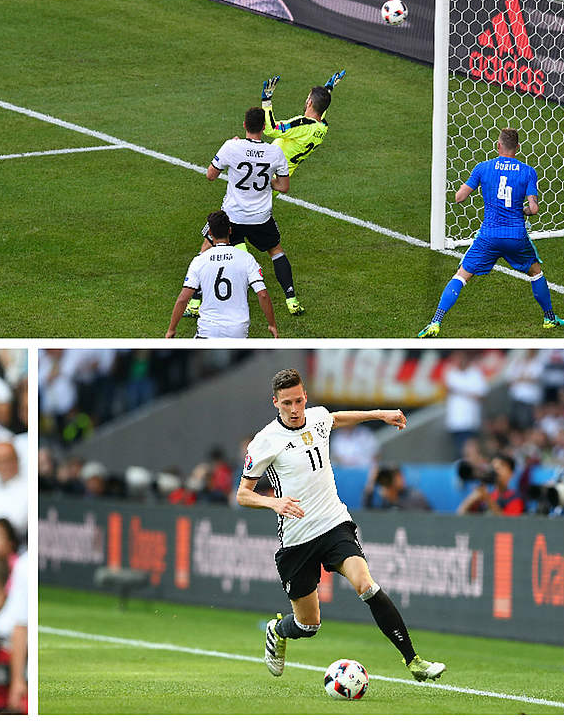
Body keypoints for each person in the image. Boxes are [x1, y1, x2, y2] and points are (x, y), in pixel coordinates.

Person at [237, 368, 446, 683]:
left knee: (366, 584)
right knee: (308, 625)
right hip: (297, 538)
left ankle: (413, 661)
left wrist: (380, 414)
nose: (294, 410)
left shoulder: (318, 417)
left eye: (298, 401)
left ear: (305, 396)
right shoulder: (265, 442)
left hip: (335, 523)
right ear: (275, 403)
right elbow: (242, 494)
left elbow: (338, 418)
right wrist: (274, 502)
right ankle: (277, 629)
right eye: (286, 404)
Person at [418, 127, 564, 336]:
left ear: (498, 145)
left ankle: (436, 322)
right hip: (516, 236)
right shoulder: (527, 171)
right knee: (536, 272)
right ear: (518, 148)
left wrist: (470, 185)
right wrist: (521, 209)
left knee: (461, 276)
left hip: (488, 236)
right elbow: (533, 209)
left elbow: (459, 197)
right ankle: (550, 318)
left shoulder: (483, 168)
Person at [187, 106, 295, 319]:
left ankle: (194, 302)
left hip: (232, 216)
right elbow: (283, 186)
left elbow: (210, 175)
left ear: (245, 125)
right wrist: (267, 183)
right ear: (264, 127)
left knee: (207, 248)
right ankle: (291, 299)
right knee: (275, 251)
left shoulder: (231, 146)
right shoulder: (275, 152)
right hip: (261, 217)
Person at [167, 210, 277, 338]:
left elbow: (183, 299)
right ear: (230, 231)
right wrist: (272, 324)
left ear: (210, 233)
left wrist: (171, 329)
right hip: (238, 329)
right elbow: (262, 294)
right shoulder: (246, 258)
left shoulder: (200, 260)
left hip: (208, 329)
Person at [261, 71, 344, 175]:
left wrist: (266, 100)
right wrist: (328, 89)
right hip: (281, 178)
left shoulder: (303, 125)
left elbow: (271, 129)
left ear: (309, 102)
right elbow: (321, 109)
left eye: (308, 98)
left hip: (265, 177)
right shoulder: (322, 127)